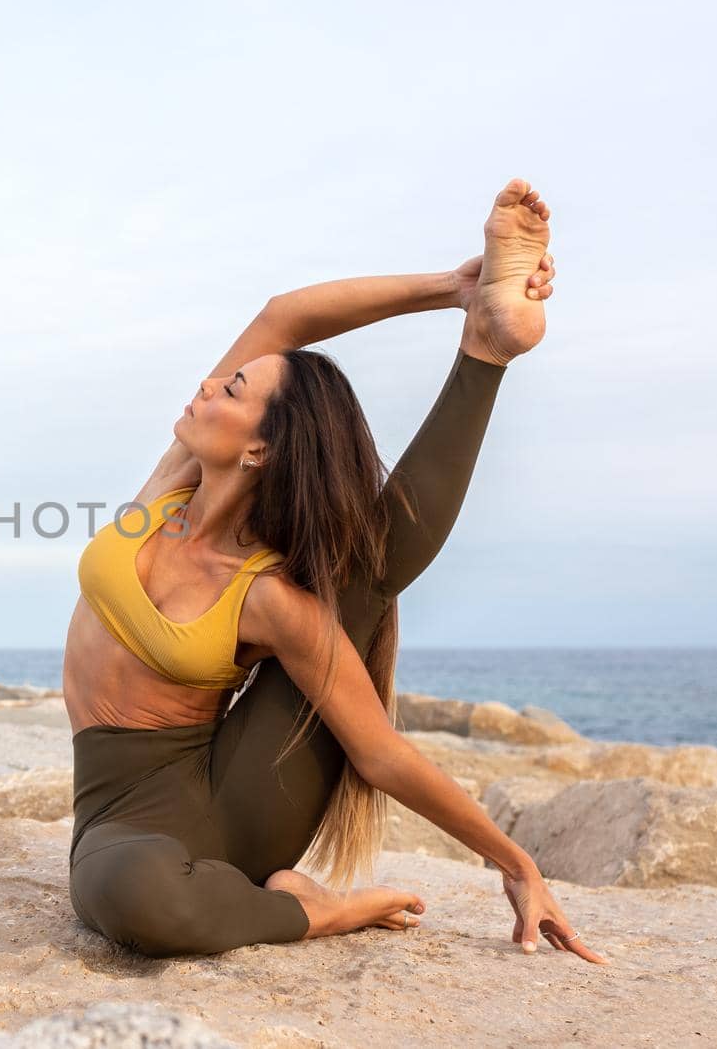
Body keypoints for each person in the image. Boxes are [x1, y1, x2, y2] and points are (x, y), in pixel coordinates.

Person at [63, 178, 609, 965]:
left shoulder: (268, 597)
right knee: (127, 891)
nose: (211, 381)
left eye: (235, 388)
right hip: (118, 819)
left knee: (359, 581)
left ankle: (488, 353)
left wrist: (516, 861)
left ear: (259, 449)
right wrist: (453, 287)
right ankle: (483, 322)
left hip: (228, 813)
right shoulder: (170, 483)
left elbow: (380, 750)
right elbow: (283, 316)